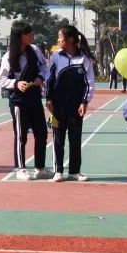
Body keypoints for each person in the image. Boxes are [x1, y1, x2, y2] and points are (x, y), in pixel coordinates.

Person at [0, 21, 50, 181]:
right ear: (19, 36)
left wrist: (40, 78)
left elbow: (44, 67)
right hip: (18, 100)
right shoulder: (8, 57)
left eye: (31, 33)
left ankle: (40, 167)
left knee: (41, 133)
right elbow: (1, 79)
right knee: (21, 135)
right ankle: (20, 168)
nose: (31, 36)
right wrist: (16, 83)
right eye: (28, 34)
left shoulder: (34, 50)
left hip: (34, 97)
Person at [45, 25, 94, 182]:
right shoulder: (56, 57)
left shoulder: (84, 59)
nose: (58, 40)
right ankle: (58, 171)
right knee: (58, 138)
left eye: (61, 37)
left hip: (75, 106)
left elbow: (90, 83)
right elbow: (49, 80)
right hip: (58, 106)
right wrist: (48, 99)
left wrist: (84, 102)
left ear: (71, 39)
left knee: (75, 138)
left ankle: (74, 171)